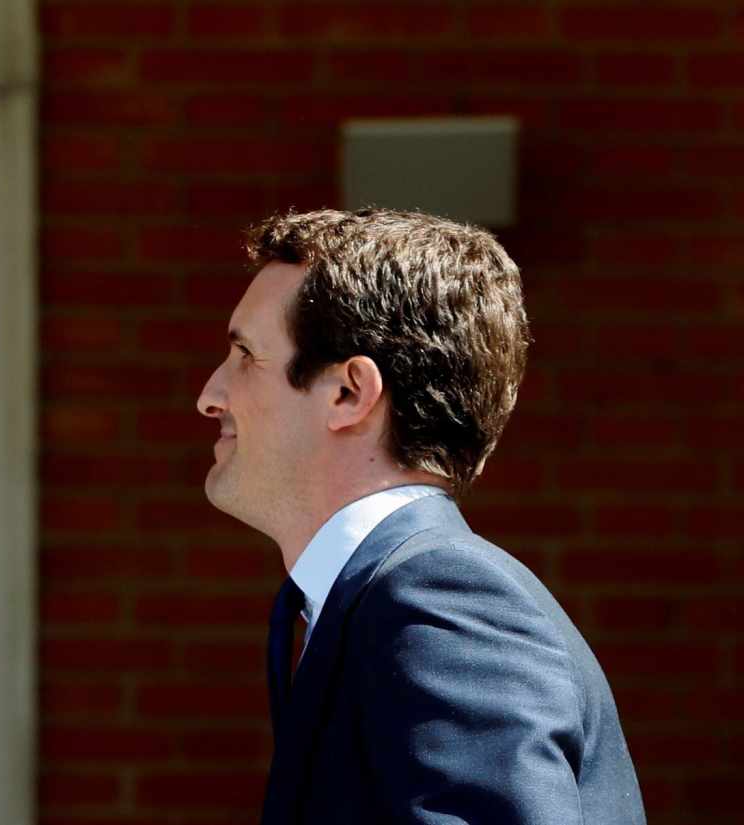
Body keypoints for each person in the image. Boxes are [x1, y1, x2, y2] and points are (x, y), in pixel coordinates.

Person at [195, 209, 645, 824]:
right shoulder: (381, 597)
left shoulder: (439, 598)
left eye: (246, 354)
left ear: (350, 394)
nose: (210, 394)